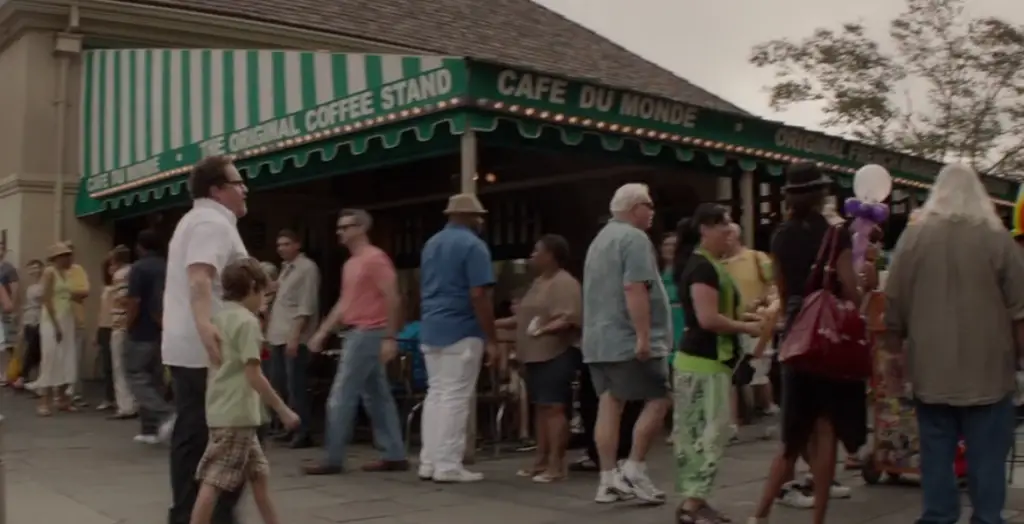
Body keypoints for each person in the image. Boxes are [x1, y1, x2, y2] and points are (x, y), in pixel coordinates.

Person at [884, 163, 1024, 524]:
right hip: (989, 370)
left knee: (936, 452)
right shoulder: (997, 238)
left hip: (931, 369)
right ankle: (987, 517)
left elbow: (894, 299)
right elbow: (1019, 308)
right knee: (988, 456)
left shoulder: (913, 238)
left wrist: (893, 352)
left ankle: (939, 515)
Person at [750, 163, 867, 524]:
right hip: (828, 338)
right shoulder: (836, 233)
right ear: (821, 194)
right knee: (826, 427)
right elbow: (849, 286)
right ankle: (818, 517)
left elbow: (783, 290)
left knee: (792, 433)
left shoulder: (780, 235)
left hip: (797, 334)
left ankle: (759, 514)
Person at [163, 155, 250, 524]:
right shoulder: (211, 222)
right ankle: (205, 514)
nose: (245, 188)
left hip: (195, 347)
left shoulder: (200, 220)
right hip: (209, 349)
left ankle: (193, 513)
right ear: (217, 190)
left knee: (196, 432)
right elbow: (200, 277)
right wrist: (205, 327)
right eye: (238, 182)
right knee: (225, 434)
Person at [670, 204, 762, 523]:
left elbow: (713, 312)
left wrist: (746, 318)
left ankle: (696, 501)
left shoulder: (707, 264)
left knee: (706, 434)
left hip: (709, 362)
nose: (730, 231)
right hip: (702, 363)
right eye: (723, 225)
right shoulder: (702, 267)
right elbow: (707, 319)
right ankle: (691, 505)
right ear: (705, 229)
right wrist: (747, 327)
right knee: (707, 435)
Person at [581, 183, 672, 504]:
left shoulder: (599, 241)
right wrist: (644, 336)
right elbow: (636, 287)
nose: (652, 212)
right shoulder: (634, 239)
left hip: (597, 340)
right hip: (626, 337)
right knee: (659, 398)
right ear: (635, 208)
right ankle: (634, 466)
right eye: (648, 205)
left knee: (610, 402)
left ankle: (607, 478)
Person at [190, 257, 298, 524]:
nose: (263, 299)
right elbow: (254, 374)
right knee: (214, 481)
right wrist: (282, 409)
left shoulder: (219, 318)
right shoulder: (247, 323)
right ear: (252, 287)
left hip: (225, 409)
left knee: (258, 477)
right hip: (237, 413)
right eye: (262, 292)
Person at [303, 209, 408, 474]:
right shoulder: (351, 264)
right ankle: (394, 452)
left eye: (346, 227)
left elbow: (392, 297)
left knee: (342, 394)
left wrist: (390, 336)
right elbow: (344, 303)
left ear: (361, 228)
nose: (340, 232)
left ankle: (332, 458)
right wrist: (323, 331)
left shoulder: (375, 259)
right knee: (376, 395)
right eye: (339, 227)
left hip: (368, 331)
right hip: (357, 330)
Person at [417, 193, 497, 483]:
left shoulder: (431, 244)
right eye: (478, 216)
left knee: (436, 394)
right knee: (456, 398)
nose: (480, 221)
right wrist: (492, 338)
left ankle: (429, 461)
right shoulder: (474, 246)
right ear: (469, 217)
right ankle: (448, 465)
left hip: (432, 325)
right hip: (462, 329)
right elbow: (479, 294)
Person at [497, 234, 582, 483]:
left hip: (555, 353)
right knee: (541, 408)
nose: (533, 255)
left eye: (537, 251)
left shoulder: (565, 283)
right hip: (533, 355)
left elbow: (568, 317)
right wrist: (491, 326)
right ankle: (540, 460)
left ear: (551, 255)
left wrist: (543, 329)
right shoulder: (537, 283)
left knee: (554, 407)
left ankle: (557, 463)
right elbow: (522, 319)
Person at [266, 229, 319, 449]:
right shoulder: (286, 269)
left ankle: (303, 431)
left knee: (296, 384)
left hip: (293, 335)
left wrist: (295, 336)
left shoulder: (307, 268)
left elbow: (306, 306)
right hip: (277, 333)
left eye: (286, 244)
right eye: (279, 245)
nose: (282, 248)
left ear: (297, 244)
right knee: (280, 383)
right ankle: (289, 427)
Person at [721, 224, 779, 424]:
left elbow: (775, 283)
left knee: (758, 366)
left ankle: (767, 407)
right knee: (738, 370)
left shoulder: (756, 257)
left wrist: (762, 301)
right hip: (731, 322)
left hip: (757, 321)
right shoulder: (718, 263)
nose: (725, 239)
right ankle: (747, 412)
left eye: (729, 235)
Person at [126, 229, 172, 444]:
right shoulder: (168, 266)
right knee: (154, 378)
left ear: (140, 246)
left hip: (142, 330)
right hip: (165, 329)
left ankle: (165, 414)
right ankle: (150, 429)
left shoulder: (139, 268)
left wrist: (128, 323)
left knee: (137, 376)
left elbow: (134, 301)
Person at [35, 242, 79, 416]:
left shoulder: (67, 274)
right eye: (65, 256)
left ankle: (61, 398)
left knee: (66, 357)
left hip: (67, 317)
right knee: (50, 357)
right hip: (52, 319)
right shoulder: (49, 272)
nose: (69, 258)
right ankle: (43, 400)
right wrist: (56, 325)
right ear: (57, 258)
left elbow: (67, 295)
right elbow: (46, 299)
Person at [105, 245, 137, 418]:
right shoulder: (134, 271)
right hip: (133, 325)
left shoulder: (120, 276)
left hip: (120, 323)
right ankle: (134, 402)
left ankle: (125, 405)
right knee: (132, 366)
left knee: (119, 366)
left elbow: (124, 298)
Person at [63, 241, 91, 407]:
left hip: (76, 319)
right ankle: (60, 393)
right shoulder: (52, 272)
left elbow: (85, 291)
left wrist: (64, 292)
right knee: (60, 357)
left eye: (69, 253)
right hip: (58, 320)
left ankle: (74, 393)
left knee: (76, 357)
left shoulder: (78, 270)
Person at [13, 259, 43, 390]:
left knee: (34, 349)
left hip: (40, 319)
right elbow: (27, 306)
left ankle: (24, 376)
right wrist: (22, 323)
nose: (34, 270)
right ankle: (29, 377)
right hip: (29, 319)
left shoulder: (44, 285)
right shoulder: (30, 287)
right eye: (31, 268)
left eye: (36, 267)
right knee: (30, 348)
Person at [0, 240, 19, 384]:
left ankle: (9, 373)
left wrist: (12, 304)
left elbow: (15, 289)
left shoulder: (8, 269)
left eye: (1, 248)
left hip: (4, 308)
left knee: (7, 341)